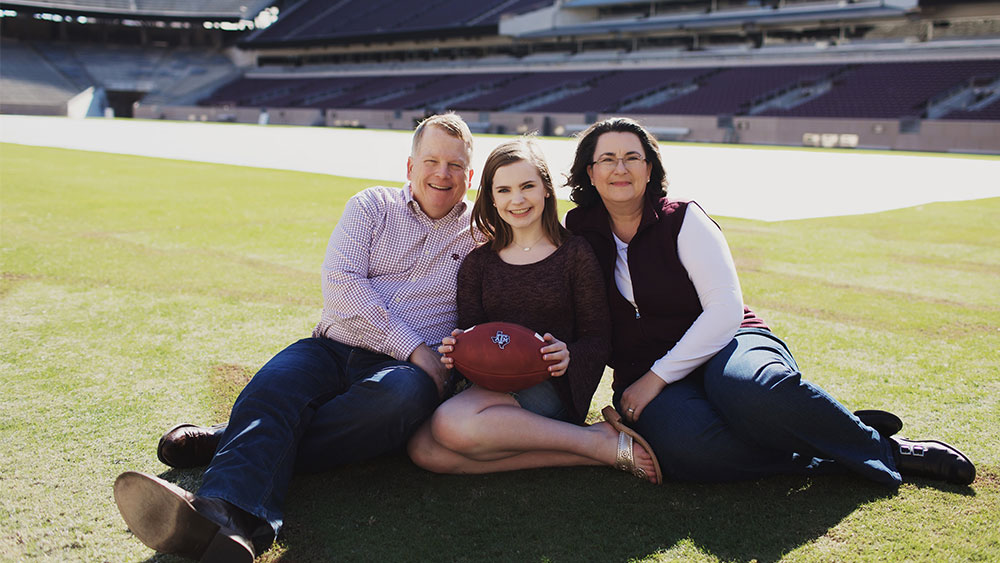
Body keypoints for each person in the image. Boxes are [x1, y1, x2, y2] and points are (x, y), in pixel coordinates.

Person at [113, 113, 480, 562]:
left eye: (455, 165)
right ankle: (226, 517)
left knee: (399, 399)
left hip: (404, 375)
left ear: (470, 175)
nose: (442, 173)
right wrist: (415, 347)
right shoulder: (371, 206)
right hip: (333, 346)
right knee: (274, 388)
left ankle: (231, 439)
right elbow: (343, 287)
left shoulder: (482, 234)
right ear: (409, 167)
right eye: (432, 160)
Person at [563, 116, 976, 487]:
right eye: (608, 159)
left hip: (728, 342)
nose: (621, 168)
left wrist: (659, 376)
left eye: (633, 157)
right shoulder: (579, 230)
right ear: (591, 172)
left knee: (752, 392)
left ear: (649, 169)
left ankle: (887, 449)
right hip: (643, 367)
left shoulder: (683, 219)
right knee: (690, 449)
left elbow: (723, 310)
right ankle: (825, 444)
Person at [407, 137, 661, 483]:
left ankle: (582, 438)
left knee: (450, 425)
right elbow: (473, 333)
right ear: (492, 198)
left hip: (552, 384)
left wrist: (568, 354)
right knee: (423, 449)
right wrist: (459, 350)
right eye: (505, 190)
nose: (517, 199)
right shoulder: (477, 263)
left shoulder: (575, 254)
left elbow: (598, 337)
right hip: (493, 383)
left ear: (545, 189)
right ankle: (593, 447)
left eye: (528, 186)